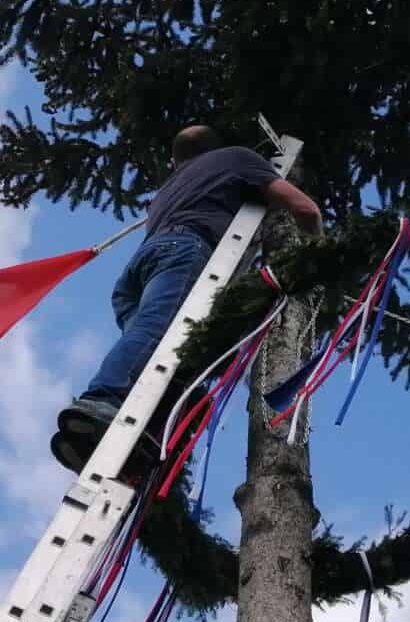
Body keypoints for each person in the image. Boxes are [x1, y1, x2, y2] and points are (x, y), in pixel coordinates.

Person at [51, 125, 322, 470]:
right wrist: (319, 255)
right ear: (214, 146)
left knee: (167, 355)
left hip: (137, 273)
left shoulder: (168, 189)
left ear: (175, 160)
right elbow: (305, 209)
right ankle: (100, 399)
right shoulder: (236, 157)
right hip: (183, 251)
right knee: (156, 331)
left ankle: (135, 430)